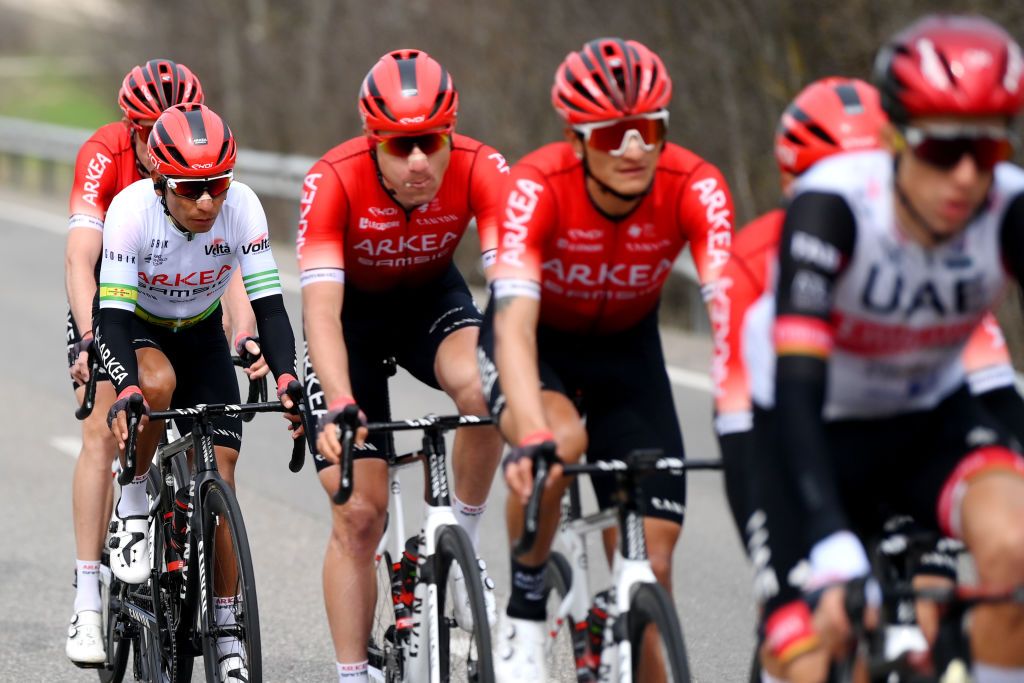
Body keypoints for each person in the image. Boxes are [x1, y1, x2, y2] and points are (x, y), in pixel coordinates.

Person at [713, 75, 1024, 681]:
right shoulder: (755, 259)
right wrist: (793, 563)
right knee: (808, 640)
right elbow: (743, 418)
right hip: (792, 439)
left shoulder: (941, 240)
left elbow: (993, 392)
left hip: (914, 439)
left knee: (939, 601)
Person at [480, 37, 734, 681]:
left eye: (649, 131)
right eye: (612, 133)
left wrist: (756, 410)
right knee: (557, 445)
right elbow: (511, 324)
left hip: (629, 354)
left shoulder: (696, 185)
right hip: (539, 347)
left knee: (654, 561)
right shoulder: (536, 186)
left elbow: (734, 313)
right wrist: (531, 434)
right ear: (575, 138)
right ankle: (526, 611)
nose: (633, 149)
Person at [298, 49, 508, 683]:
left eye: (432, 141)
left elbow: (512, 293)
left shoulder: (482, 166)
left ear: (452, 133)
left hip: (429, 302)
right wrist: (339, 400)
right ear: (373, 142)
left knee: (489, 384)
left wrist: (520, 368)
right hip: (350, 324)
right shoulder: (332, 179)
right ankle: (352, 672)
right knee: (360, 517)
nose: (419, 160)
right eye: (401, 145)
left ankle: (459, 545)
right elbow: (321, 314)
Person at [95, 102, 299, 683]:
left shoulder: (243, 208)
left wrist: (286, 377)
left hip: (202, 331)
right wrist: (127, 387)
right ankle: (134, 498)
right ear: (161, 181)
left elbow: (270, 308)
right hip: (138, 326)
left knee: (223, 476)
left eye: (218, 184)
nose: (208, 200)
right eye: (191, 188)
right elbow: (110, 317)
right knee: (156, 385)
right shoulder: (130, 211)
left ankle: (228, 626)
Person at [63, 58, 208, 666]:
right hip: (110, 297)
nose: (159, 143)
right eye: (148, 132)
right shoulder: (105, 154)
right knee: (102, 429)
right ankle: (89, 598)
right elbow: (80, 258)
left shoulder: (195, 159)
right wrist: (90, 336)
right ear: (131, 128)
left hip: (179, 295)